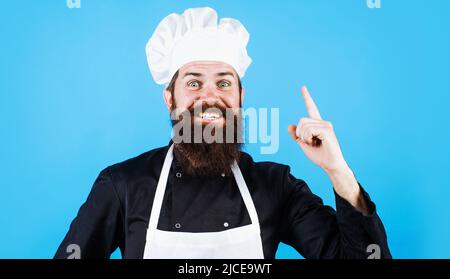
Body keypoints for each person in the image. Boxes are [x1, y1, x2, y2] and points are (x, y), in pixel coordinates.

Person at [54, 7, 391, 259]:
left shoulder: (276, 188)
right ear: (170, 99)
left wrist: (338, 172)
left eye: (224, 83)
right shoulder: (123, 186)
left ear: (240, 98)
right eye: (193, 82)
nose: (210, 96)